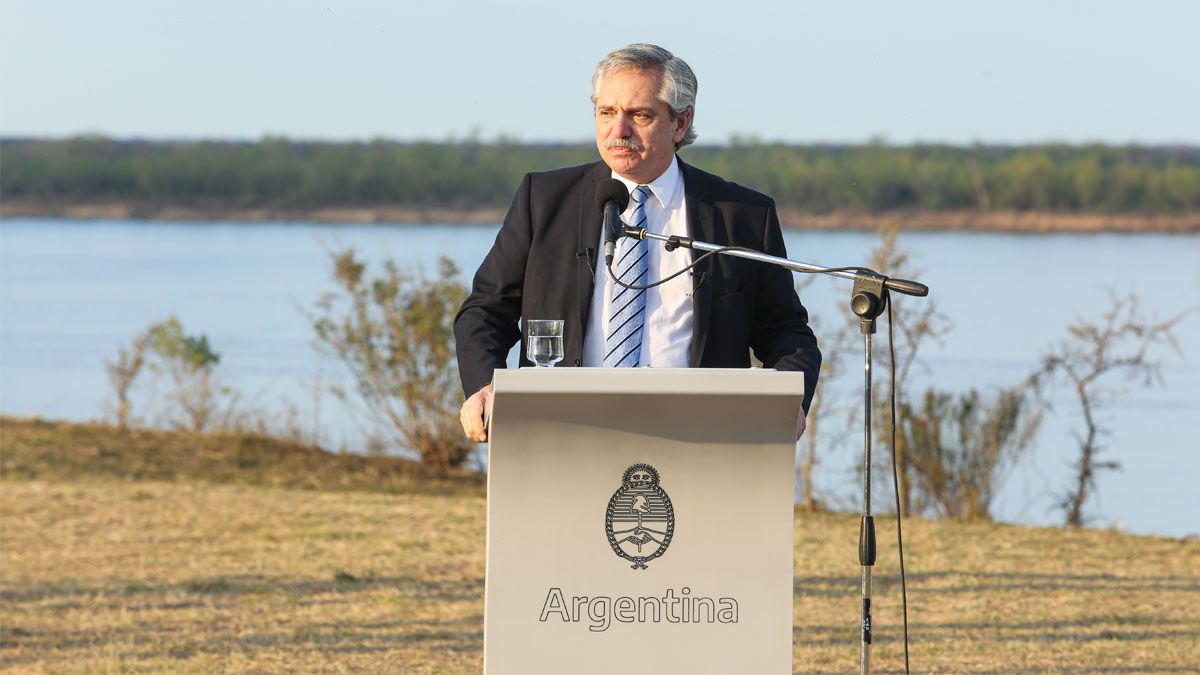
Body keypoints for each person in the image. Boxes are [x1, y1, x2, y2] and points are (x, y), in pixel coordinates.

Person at [455, 43, 821, 442]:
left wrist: (790, 400)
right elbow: (485, 312)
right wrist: (483, 388)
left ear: (681, 123)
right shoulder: (544, 199)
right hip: (564, 430)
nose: (619, 131)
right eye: (607, 112)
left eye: (640, 115)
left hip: (697, 437)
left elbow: (786, 333)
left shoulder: (741, 215)